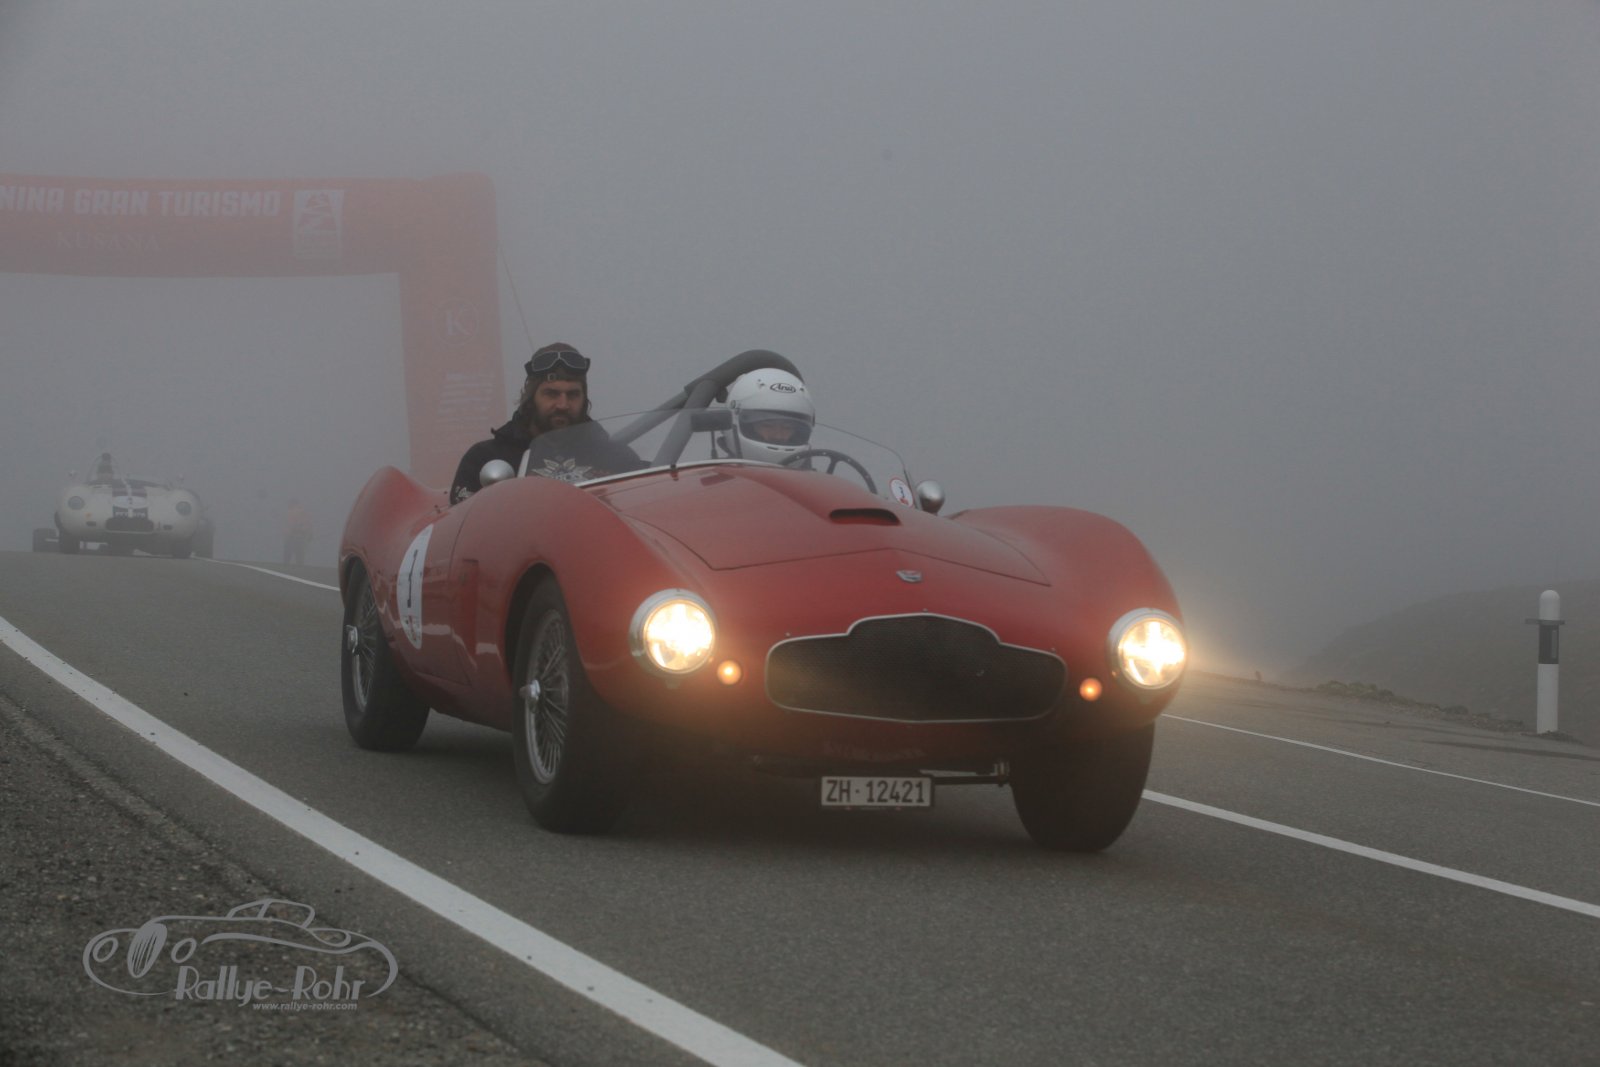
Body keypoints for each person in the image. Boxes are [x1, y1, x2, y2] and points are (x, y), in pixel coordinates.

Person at [449, 342, 641, 503]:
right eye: (551, 393)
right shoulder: (485, 458)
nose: (563, 405)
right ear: (531, 398)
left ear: (584, 399)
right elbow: (463, 525)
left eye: (573, 394)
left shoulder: (617, 459)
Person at [716, 368, 816, 464]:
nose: (778, 436)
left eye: (787, 427)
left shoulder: (816, 476)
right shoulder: (715, 475)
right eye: (767, 426)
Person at [283, 499, 313, 565]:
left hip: (292, 536)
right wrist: (310, 534)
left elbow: (289, 524)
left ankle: (286, 565)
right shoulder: (304, 512)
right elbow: (308, 524)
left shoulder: (290, 512)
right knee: (299, 554)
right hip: (300, 535)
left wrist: (289, 532)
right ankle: (299, 566)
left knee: (288, 554)